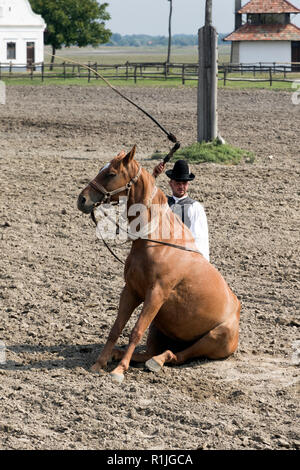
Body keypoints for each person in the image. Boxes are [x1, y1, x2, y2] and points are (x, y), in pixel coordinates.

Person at [152, 159, 209, 262]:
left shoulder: (195, 208)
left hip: (183, 261)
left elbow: (200, 241)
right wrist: (154, 175)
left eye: (184, 183)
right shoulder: (163, 202)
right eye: (178, 183)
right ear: (171, 183)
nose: (181, 186)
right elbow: (147, 193)